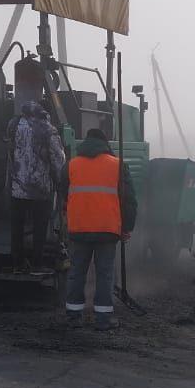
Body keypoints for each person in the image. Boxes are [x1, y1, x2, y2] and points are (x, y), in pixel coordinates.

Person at [60, 127, 138, 330]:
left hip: (79, 228)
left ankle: (73, 316)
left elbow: (63, 193)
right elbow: (129, 201)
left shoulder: (71, 165)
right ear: (105, 144)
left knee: (77, 272)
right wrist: (126, 228)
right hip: (107, 228)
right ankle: (103, 319)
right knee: (105, 274)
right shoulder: (117, 165)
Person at [5, 101, 66, 274]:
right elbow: (58, 159)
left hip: (17, 186)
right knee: (40, 227)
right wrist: (61, 182)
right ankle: (37, 265)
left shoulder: (14, 124)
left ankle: (17, 264)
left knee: (17, 227)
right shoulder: (48, 129)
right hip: (40, 187)